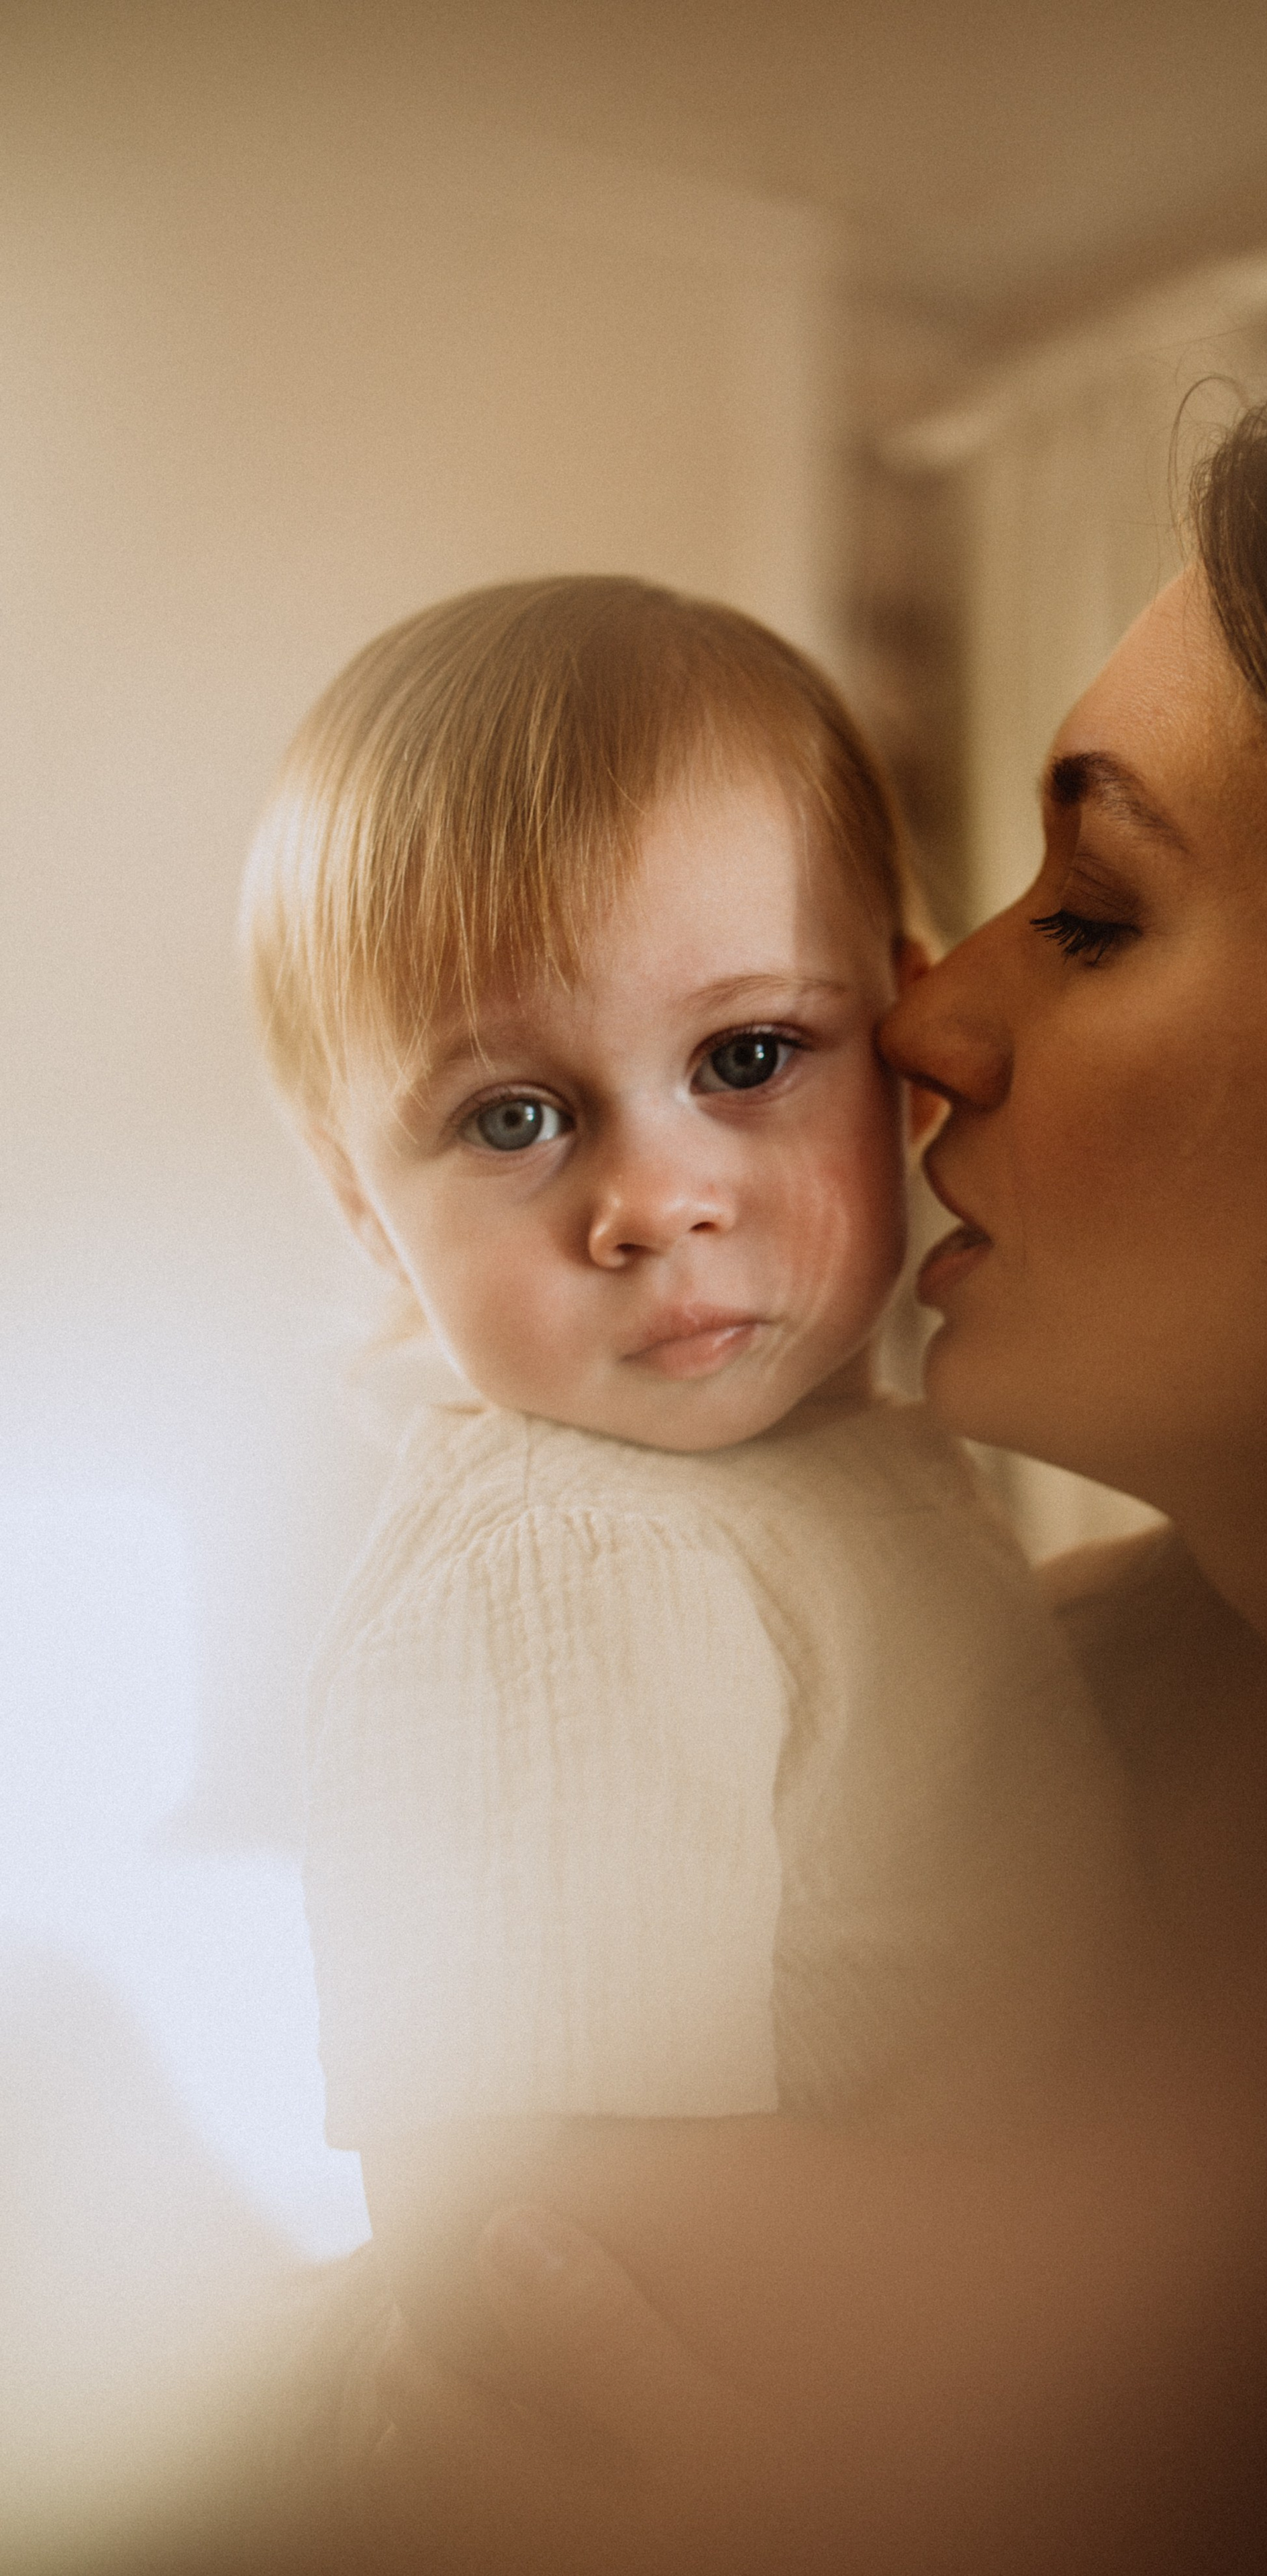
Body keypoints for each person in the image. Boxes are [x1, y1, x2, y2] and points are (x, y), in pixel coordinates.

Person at [335, 388, 1267, 2575]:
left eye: (1094, 911)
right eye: (513, 1113)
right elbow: (514, 2239)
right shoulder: (1005, 1699)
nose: (921, 1024)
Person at [238, 576, 1133, 2385]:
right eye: (513, 1117)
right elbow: (531, 2217)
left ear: (899, 1053)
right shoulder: (566, 1563)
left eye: (746, 1059)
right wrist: (1128, 2291)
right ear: (363, 1206)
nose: (653, 1201)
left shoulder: (836, 1474)